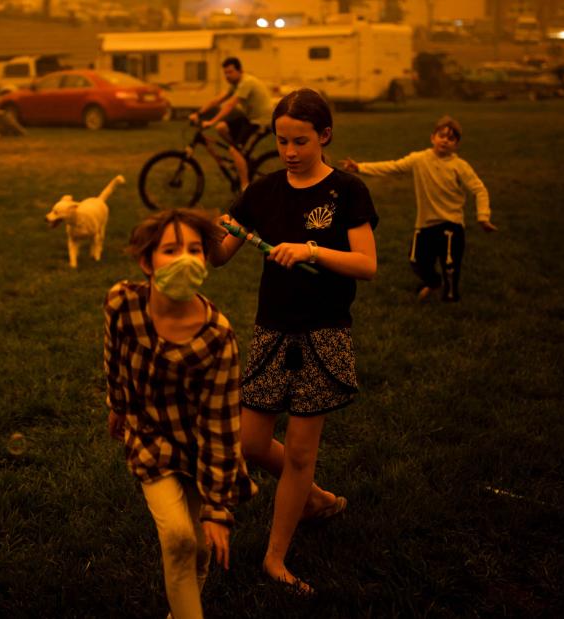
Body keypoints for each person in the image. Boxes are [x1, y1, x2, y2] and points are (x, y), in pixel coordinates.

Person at [211, 88, 378, 595]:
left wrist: (311, 250)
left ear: (324, 136)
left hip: (323, 332)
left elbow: (366, 265)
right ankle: (317, 498)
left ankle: (275, 557)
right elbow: (220, 255)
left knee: (301, 454)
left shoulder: (347, 192)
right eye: (282, 141)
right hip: (272, 330)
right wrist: (193, 236)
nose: (289, 152)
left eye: (300, 141)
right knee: (251, 443)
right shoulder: (262, 192)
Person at [105, 208, 256, 619]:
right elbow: (115, 357)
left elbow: (222, 426)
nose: (186, 259)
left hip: (200, 449)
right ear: (146, 261)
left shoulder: (217, 338)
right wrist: (117, 405)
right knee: (177, 538)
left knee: (200, 548)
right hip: (150, 437)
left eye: (194, 249)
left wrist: (218, 509)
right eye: (171, 250)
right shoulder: (123, 303)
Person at [340, 116, 495, 301]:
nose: (445, 140)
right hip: (425, 223)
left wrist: (483, 216)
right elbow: (393, 166)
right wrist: (359, 167)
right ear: (433, 137)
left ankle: (451, 300)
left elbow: (479, 189)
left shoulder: (459, 166)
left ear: (456, 145)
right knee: (417, 261)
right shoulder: (419, 159)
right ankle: (434, 283)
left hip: (451, 223)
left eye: (451, 138)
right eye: (441, 135)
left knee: (450, 265)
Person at [189, 57, 273, 190]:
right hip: (250, 118)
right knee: (221, 128)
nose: (227, 76)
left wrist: (211, 121)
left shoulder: (247, 82)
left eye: (230, 72)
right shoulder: (235, 84)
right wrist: (198, 114)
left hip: (261, 121)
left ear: (240, 71)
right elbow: (217, 100)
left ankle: (244, 188)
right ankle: (241, 156)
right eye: (225, 73)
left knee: (235, 151)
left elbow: (230, 104)